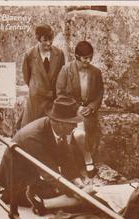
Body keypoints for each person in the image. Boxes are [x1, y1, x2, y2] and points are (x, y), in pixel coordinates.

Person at [0, 95, 86, 214]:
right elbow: (49, 173)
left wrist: (78, 183)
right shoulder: (33, 137)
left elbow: (67, 159)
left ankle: (46, 201)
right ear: (60, 123)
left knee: (74, 195)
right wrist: (74, 191)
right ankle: (39, 203)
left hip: (34, 174)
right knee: (75, 201)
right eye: (72, 123)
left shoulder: (57, 129)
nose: (75, 126)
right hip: (18, 181)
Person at [56, 40, 104, 177]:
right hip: (69, 110)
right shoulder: (66, 70)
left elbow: (100, 92)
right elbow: (60, 93)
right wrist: (76, 107)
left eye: (90, 57)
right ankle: (87, 161)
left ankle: (84, 162)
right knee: (77, 132)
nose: (88, 61)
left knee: (81, 132)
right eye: (84, 58)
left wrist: (92, 106)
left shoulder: (96, 72)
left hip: (88, 112)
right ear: (77, 57)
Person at [19, 24, 65, 128]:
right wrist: (38, 88)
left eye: (51, 39)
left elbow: (62, 76)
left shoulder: (59, 54)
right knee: (32, 130)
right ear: (38, 39)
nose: (49, 43)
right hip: (36, 101)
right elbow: (27, 77)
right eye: (45, 40)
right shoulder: (29, 55)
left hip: (53, 100)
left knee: (50, 130)